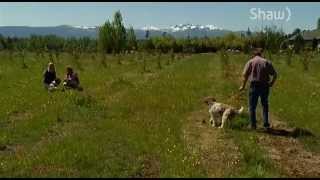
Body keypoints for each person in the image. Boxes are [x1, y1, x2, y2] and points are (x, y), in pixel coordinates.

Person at [239, 48, 277, 130]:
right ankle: (266, 124)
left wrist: (243, 86)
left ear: (254, 55)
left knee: (252, 106)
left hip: (254, 86)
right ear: (261, 54)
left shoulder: (250, 62)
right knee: (264, 105)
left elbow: (245, 75)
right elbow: (275, 74)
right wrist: (271, 83)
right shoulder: (266, 62)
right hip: (265, 86)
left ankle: (253, 126)